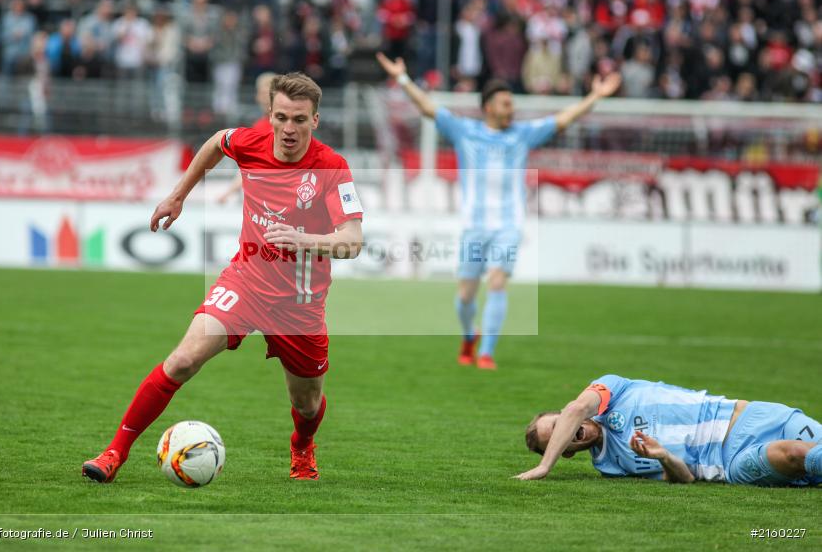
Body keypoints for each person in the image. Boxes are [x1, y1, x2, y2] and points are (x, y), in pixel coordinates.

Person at [82, 73, 363, 483]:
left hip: (299, 306)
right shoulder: (250, 142)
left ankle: (302, 445)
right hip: (245, 283)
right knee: (182, 360)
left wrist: (305, 240)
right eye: (281, 117)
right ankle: (113, 453)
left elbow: (352, 241)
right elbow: (217, 142)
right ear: (269, 115)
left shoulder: (332, 168)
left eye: (299, 120)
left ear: (315, 121)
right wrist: (178, 195)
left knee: (307, 404)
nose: (288, 129)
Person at [376, 52, 621, 370]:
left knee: (497, 282)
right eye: (506, 103)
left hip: (509, 224)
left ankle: (487, 352)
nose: (512, 109)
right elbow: (426, 107)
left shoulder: (522, 134)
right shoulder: (465, 131)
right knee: (465, 295)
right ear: (489, 107)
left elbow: (564, 118)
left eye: (512, 103)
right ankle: (469, 335)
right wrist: (403, 77)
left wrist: (595, 96)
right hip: (474, 225)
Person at [517, 374, 822, 486]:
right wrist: (663, 457)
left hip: (754, 414)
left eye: (559, 428)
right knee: (795, 454)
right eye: (557, 442)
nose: (568, 434)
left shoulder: (612, 389)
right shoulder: (611, 465)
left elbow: (575, 409)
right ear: (567, 453)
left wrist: (546, 466)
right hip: (731, 460)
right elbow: (684, 478)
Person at [217, 71, 276, 203]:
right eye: (261, 93)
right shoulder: (259, 126)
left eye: (267, 94)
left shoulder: (285, 127)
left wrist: (228, 192)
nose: (262, 98)